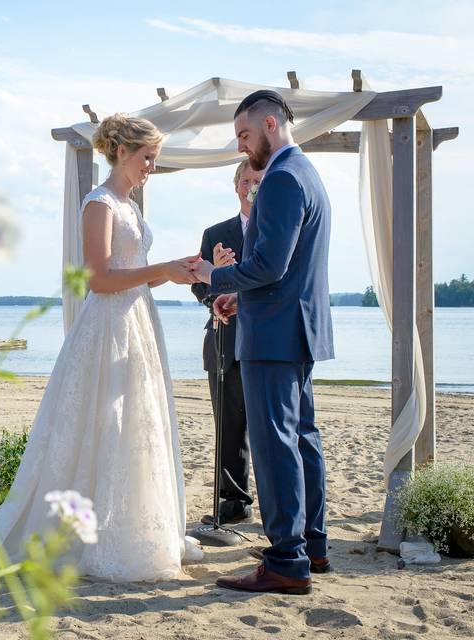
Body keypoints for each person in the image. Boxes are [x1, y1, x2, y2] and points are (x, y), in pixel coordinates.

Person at [0, 114, 202, 581]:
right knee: (105, 421)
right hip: (107, 326)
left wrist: (181, 270)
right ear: (123, 151)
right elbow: (100, 279)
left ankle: (134, 527)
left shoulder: (130, 206)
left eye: (155, 159)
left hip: (138, 323)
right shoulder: (99, 204)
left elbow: (136, 268)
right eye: (148, 157)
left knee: (136, 423)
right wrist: (160, 270)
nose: (151, 166)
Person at [193, 90, 334, 595]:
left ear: (271, 124)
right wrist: (240, 300)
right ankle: (311, 544)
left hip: (274, 334)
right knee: (301, 438)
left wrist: (216, 275)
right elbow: (288, 268)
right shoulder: (307, 174)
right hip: (295, 325)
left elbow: (269, 265)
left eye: (244, 135)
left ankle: (285, 560)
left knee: (275, 445)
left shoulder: (279, 178)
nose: (240, 147)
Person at [190, 159, 262, 526]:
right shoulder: (215, 232)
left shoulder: (278, 229)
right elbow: (199, 286)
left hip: (268, 341)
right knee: (230, 428)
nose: (251, 186)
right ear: (236, 185)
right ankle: (233, 503)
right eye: (246, 179)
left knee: (271, 427)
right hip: (226, 340)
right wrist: (216, 275)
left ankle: (278, 502)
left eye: (258, 180)